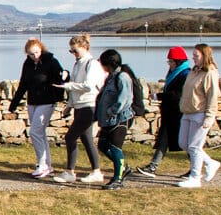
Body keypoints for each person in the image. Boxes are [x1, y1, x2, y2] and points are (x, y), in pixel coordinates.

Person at [9, 38, 65, 178]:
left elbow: (61, 79)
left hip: (47, 101)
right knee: (40, 133)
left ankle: (42, 164)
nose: (35, 56)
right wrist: (14, 103)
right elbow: (23, 84)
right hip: (32, 102)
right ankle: (48, 165)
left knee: (34, 132)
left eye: (36, 52)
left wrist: (60, 93)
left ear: (41, 49)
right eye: (31, 54)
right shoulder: (27, 64)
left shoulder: (51, 61)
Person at [54, 34, 106, 184]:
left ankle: (70, 172)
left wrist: (68, 86)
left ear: (85, 47)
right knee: (86, 139)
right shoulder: (78, 64)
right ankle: (96, 171)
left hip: (89, 105)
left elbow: (88, 85)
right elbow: (74, 87)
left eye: (75, 51)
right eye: (71, 51)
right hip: (79, 105)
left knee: (70, 137)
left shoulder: (92, 64)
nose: (73, 54)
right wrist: (69, 105)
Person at [134, 46, 189, 178]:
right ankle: (153, 166)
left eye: (171, 61)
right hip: (170, 112)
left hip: (178, 112)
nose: (169, 64)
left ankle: (200, 166)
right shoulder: (175, 72)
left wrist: (159, 96)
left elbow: (177, 94)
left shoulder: (185, 74)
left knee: (185, 142)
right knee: (164, 139)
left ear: (178, 61)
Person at [176, 43, 221, 188]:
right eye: (193, 55)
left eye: (196, 55)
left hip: (200, 114)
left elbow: (212, 96)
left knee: (195, 146)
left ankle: (195, 177)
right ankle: (210, 163)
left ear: (204, 56)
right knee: (183, 144)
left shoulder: (210, 73)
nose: (193, 58)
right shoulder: (193, 71)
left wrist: (209, 117)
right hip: (187, 112)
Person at [94, 49, 138, 190]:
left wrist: (111, 111)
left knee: (115, 147)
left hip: (119, 119)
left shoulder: (122, 77)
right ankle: (124, 167)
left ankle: (117, 179)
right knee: (102, 145)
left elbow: (125, 99)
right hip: (108, 120)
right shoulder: (111, 77)